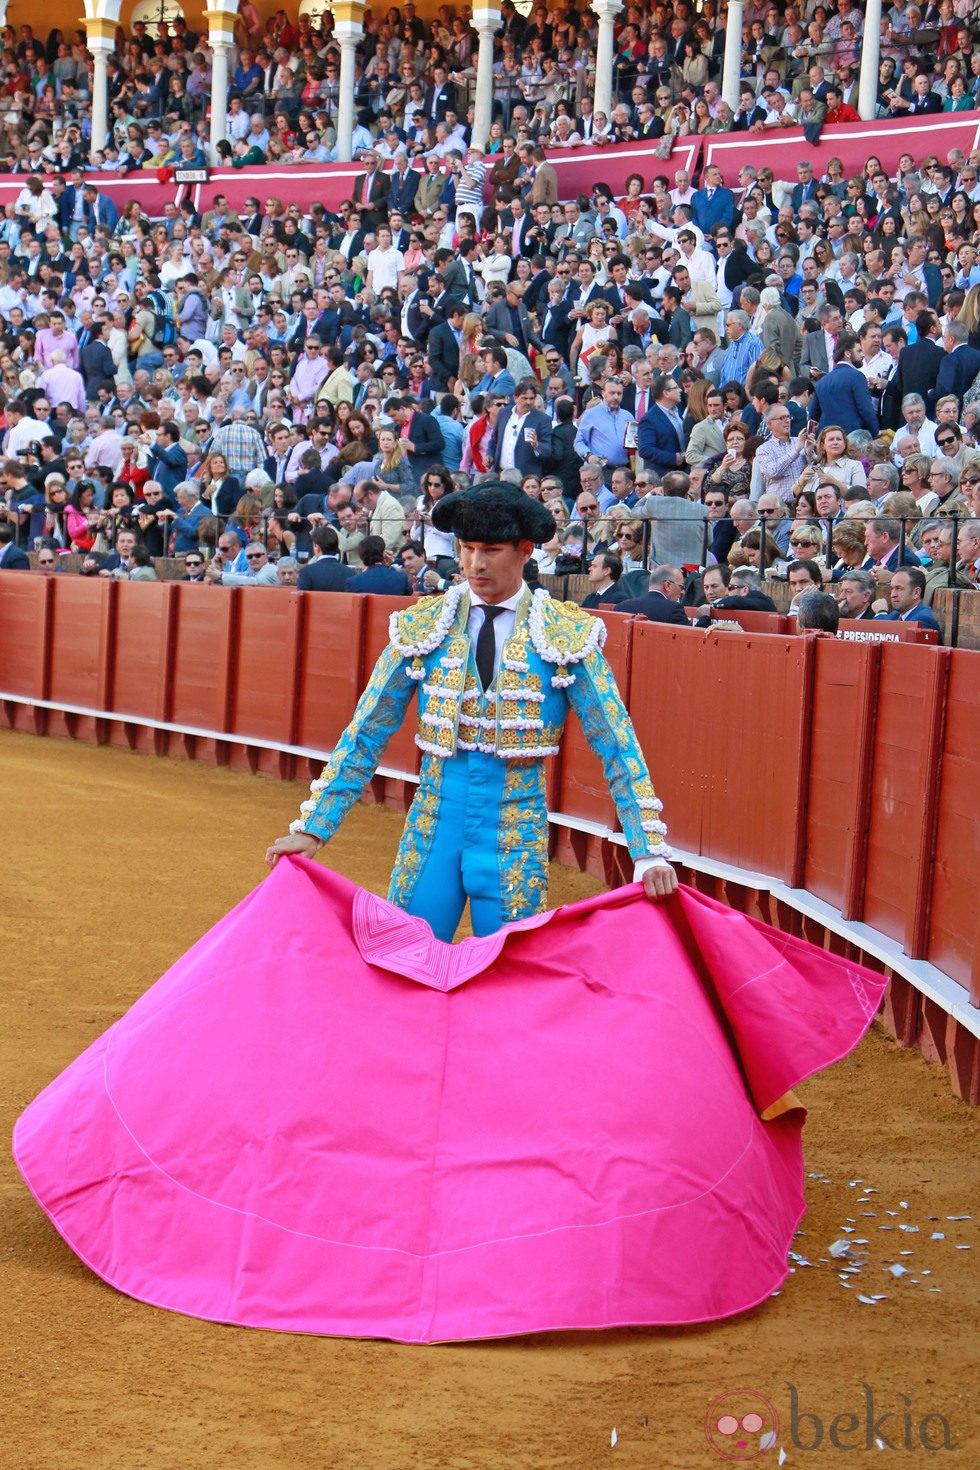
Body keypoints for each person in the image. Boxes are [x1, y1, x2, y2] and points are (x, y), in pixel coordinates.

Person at [266, 484, 677, 942]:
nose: (475, 564)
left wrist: (648, 850)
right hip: (434, 822)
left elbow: (616, 742)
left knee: (508, 980)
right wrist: (314, 828)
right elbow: (365, 732)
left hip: (516, 832)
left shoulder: (566, 634)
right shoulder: (424, 625)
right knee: (406, 959)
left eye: (491, 550)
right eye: (466, 549)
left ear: (525, 551)